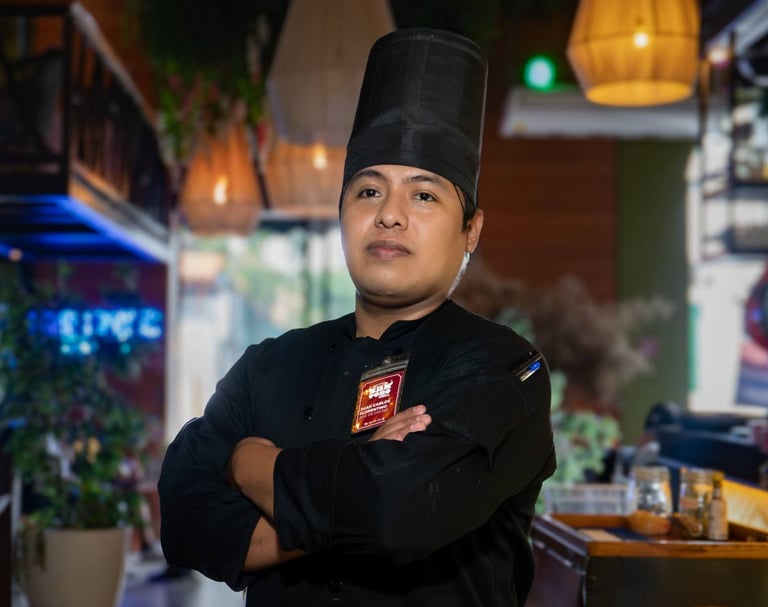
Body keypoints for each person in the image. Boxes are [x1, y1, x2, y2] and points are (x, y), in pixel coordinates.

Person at [158, 27, 555, 606]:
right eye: (368, 191)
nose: (390, 215)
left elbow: (394, 515)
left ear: (471, 230)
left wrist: (249, 463)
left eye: (423, 195)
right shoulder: (269, 364)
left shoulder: (502, 368)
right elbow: (183, 517)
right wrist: (357, 480)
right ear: (341, 211)